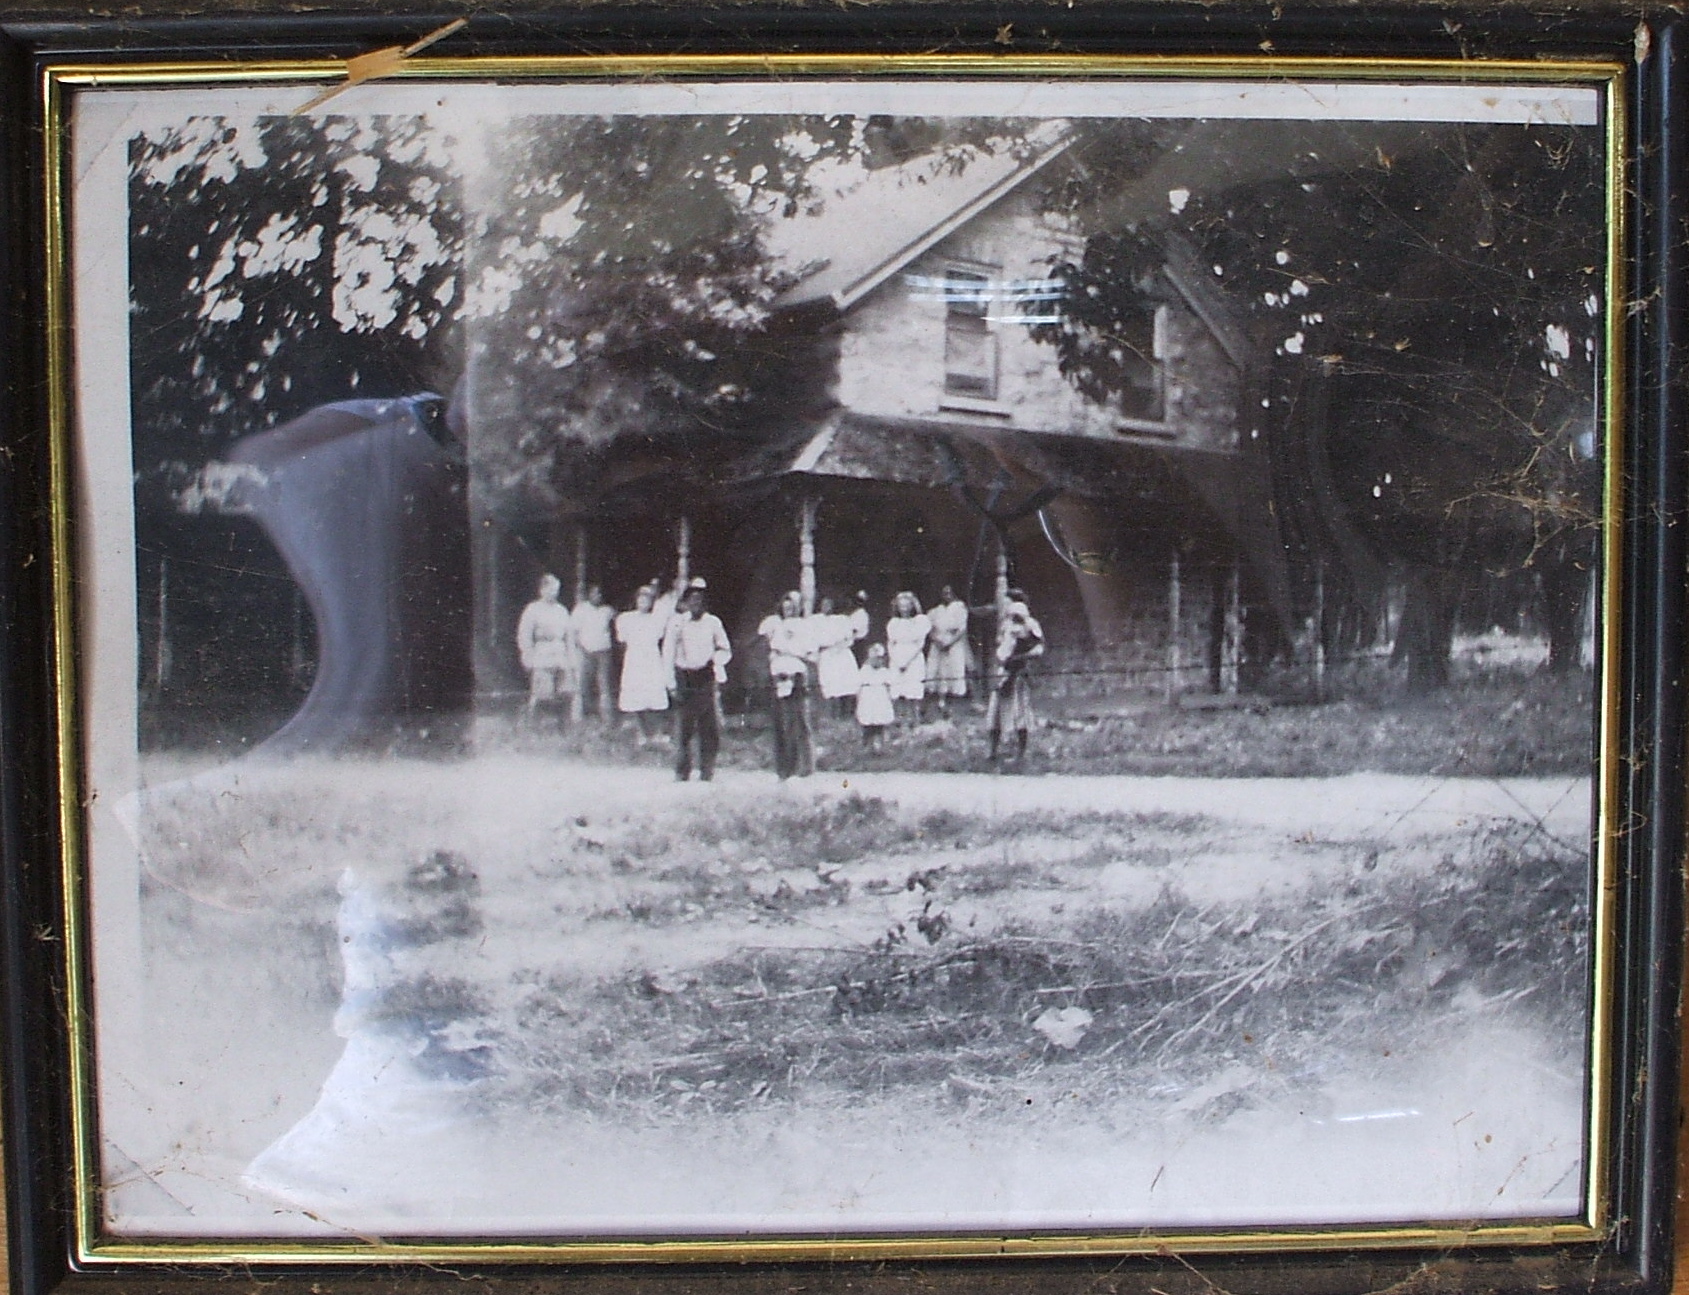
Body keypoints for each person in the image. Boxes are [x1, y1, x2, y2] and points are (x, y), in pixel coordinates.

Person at [661, 578, 732, 782]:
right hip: (685, 677)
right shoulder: (677, 623)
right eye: (692, 599)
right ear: (685, 602)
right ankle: (682, 771)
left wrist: (715, 660)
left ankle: (707, 770)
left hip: (705, 677)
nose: (695, 604)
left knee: (708, 726)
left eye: (699, 600)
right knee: (684, 726)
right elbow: (668, 653)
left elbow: (725, 649)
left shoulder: (713, 623)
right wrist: (670, 683)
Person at [758, 591, 817, 780]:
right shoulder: (777, 625)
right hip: (779, 675)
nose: (789, 609)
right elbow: (773, 649)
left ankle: (804, 767)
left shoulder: (805, 626)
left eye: (792, 606)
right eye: (786, 606)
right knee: (781, 722)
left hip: (797, 674)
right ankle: (784, 768)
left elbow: (811, 653)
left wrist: (792, 653)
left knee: (798, 721)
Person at [987, 590, 1045, 764]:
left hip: (1018, 670)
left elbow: (1039, 647)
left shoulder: (1029, 624)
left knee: (1019, 711)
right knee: (995, 710)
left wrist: (1021, 657)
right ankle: (992, 751)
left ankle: (1021, 753)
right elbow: (1001, 646)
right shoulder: (1005, 625)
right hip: (1003, 669)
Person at [514, 573, 577, 726]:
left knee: (565, 692)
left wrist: (571, 659)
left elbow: (569, 636)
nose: (554, 593)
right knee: (542, 694)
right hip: (542, 653)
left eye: (556, 590)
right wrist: (527, 656)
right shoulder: (533, 609)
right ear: (542, 589)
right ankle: (534, 725)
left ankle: (562, 726)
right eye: (551, 589)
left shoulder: (561, 610)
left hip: (560, 654)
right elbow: (524, 635)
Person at [615, 584, 670, 743]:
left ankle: (657, 733)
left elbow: (659, 633)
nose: (643, 602)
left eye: (647, 599)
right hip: (635, 660)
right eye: (641, 599)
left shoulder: (656, 619)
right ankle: (641, 734)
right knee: (635, 696)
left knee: (655, 695)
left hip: (651, 660)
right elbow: (622, 639)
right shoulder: (626, 619)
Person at [885, 591, 932, 724]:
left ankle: (915, 717)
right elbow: (890, 643)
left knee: (914, 687)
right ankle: (898, 717)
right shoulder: (894, 623)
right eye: (901, 606)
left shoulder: (919, 622)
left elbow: (920, 644)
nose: (904, 609)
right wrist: (896, 660)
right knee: (897, 687)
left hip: (913, 657)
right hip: (897, 656)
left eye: (907, 606)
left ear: (912, 606)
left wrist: (908, 661)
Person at [571, 584, 616, 722]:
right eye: (595, 593)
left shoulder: (607, 610)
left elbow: (618, 621)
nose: (598, 596)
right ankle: (579, 716)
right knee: (582, 684)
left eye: (600, 594)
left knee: (604, 684)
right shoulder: (581, 609)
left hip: (603, 652)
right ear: (590, 594)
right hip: (586, 651)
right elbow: (574, 632)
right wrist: (580, 648)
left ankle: (607, 717)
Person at [926, 584, 971, 715]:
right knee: (938, 671)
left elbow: (962, 629)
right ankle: (940, 700)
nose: (946, 596)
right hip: (938, 643)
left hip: (953, 643)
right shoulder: (936, 611)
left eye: (949, 593)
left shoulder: (960, 608)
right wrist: (937, 640)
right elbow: (929, 629)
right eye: (944, 593)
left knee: (953, 670)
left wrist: (949, 643)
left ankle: (952, 704)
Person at [813, 595, 861, 718]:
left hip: (841, 653)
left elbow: (849, 638)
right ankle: (831, 714)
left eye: (829, 604)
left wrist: (840, 645)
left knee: (845, 683)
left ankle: (846, 714)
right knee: (830, 683)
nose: (826, 607)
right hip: (827, 655)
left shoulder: (842, 619)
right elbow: (813, 639)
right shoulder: (816, 620)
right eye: (824, 604)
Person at [855, 643, 896, 750]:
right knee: (867, 719)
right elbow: (858, 686)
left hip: (880, 697)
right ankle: (866, 742)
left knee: (881, 719)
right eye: (875, 658)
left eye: (880, 659)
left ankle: (880, 742)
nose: (877, 661)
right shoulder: (864, 671)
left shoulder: (884, 672)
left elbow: (891, 683)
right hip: (868, 697)